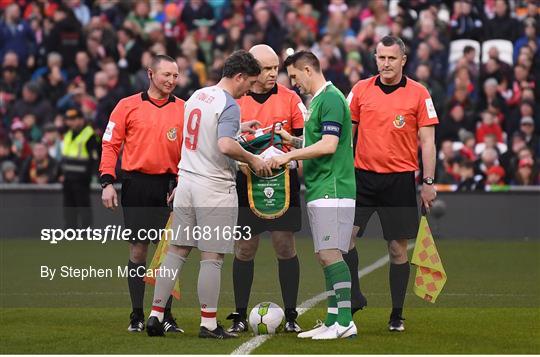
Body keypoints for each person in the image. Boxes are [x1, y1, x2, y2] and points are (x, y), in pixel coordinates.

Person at [146, 50, 271, 339]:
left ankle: (155, 315)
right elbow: (225, 145)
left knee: (176, 251)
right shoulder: (230, 104)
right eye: (249, 83)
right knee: (212, 257)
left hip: (187, 183)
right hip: (213, 187)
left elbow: (205, 130)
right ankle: (209, 323)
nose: (249, 89)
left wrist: (238, 128)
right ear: (239, 77)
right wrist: (253, 160)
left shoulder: (198, 96)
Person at [347, 35, 438, 332]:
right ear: (375, 58)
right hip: (362, 178)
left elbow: (428, 142)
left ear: (403, 60)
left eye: (391, 58)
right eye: (381, 57)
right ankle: (354, 295)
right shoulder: (360, 90)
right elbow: (347, 137)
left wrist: (428, 181)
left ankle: (396, 314)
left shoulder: (419, 93)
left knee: (398, 250)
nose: (385, 63)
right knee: (343, 241)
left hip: (399, 180)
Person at [268, 50, 357, 340]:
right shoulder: (319, 100)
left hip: (333, 187)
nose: (294, 83)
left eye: (294, 76)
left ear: (308, 69)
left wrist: (289, 155)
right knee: (325, 255)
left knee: (331, 254)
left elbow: (329, 145)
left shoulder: (330, 98)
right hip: (322, 187)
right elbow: (316, 141)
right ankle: (333, 320)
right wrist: (292, 140)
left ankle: (344, 322)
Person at [99, 54, 185, 333]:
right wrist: (107, 182)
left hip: (171, 187)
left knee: (170, 253)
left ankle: (164, 315)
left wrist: (182, 182)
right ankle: (136, 314)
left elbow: (191, 150)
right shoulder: (127, 106)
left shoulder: (185, 108)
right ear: (150, 74)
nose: (172, 80)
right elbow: (110, 144)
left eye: (175, 75)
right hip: (136, 185)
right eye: (166, 75)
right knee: (138, 251)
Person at [226, 44, 305, 334]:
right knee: (245, 248)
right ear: (250, 69)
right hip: (246, 181)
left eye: (276, 68)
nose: (274, 73)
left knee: (285, 245)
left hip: (284, 181)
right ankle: (239, 315)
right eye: (267, 68)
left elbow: (305, 142)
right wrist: (242, 163)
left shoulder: (291, 98)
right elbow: (224, 144)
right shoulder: (234, 101)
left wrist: (290, 150)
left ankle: (292, 315)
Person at [60, 108, 99, 229]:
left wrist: (92, 175)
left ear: (81, 120)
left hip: (81, 179)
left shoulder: (89, 135)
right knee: (69, 206)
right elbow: (64, 157)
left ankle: (86, 231)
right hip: (68, 178)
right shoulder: (68, 134)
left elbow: (95, 158)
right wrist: (60, 173)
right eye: (69, 120)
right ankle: (70, 230)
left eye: (73, 119)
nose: (70, 122)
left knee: (83, 205)